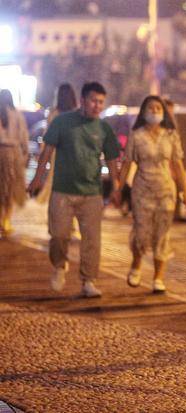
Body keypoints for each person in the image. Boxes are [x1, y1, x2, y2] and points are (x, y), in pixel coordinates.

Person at [28, 82, 121, 298]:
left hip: (92, 192)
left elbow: (112, 158)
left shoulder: (103, 128)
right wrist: (37, 179)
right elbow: (46, 151)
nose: (97, 106)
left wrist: (115, 186)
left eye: (101, 102)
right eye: (93, 101)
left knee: (92, 240)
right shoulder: (62, 122)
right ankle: (59, 266)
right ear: (82, 100)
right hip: (63, 190)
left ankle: (89, 281)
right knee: (58, 235)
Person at [118, 96, 186, 293]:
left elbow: (178, 164)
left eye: (158, 108)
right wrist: (118, 189)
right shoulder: (136, 135)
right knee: (141, 231)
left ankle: (158, 277)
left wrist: (185, 190)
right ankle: (136, 264)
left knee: (162, 234)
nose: (155, 111)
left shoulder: (171, 135)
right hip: (142, 190)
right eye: (151, 108)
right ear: (143, 112)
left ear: (164, 112)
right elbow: (127, 163)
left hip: (166, 190)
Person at [37, 83, 78, 204]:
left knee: (55, 177)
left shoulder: (53, 113)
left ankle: (55, 201)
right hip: (72, 152)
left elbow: (47, 135)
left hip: (56, 150)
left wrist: (43, 151)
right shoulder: (76, 114)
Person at [0, 89, 28, 237]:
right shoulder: (17, 115)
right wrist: (25, 152)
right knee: (10, 189)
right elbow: (23, 136)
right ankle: (6, 221)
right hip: (14, 153)